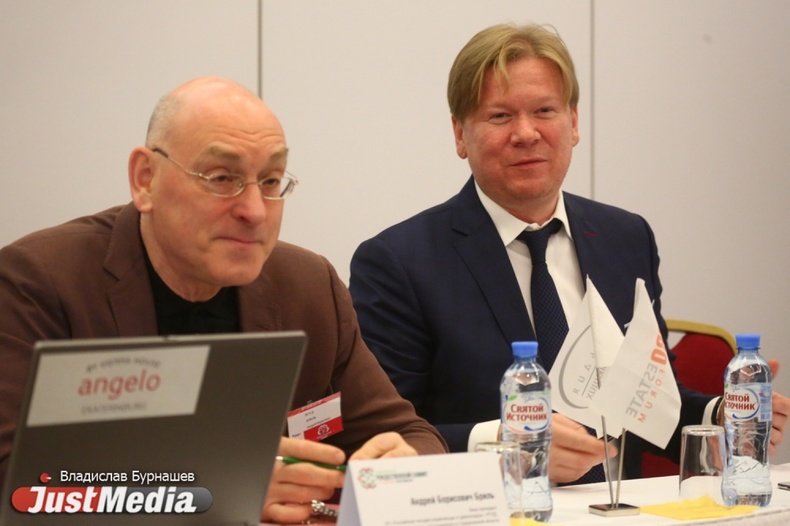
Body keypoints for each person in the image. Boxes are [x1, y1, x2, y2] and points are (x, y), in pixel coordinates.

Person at [349, 23, 789, 483]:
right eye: (500, 116)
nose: (526, 133)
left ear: (574, 122)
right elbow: (385, 436)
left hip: (625, 510)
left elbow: (648, 402)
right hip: (493, 508)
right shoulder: (399, 262)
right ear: (460, 134)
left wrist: (722, 415)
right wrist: (508, 445)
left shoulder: (626, 237)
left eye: (544, 110)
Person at [0, 77, 447, 524]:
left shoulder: (309, 286)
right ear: (145, 179)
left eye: (270, 181)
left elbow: (411, 434)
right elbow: (16, 484)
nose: (255, 210)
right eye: (221, 178)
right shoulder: (40, 281)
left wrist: (401, 467)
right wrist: (217, 490)